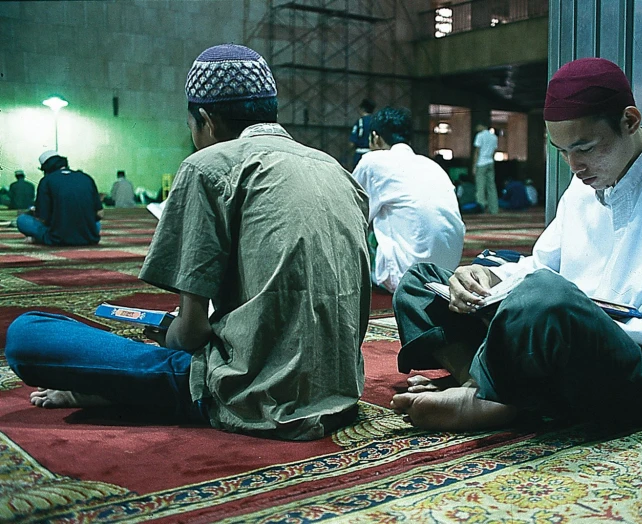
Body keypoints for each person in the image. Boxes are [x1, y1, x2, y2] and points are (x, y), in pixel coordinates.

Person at [5, 43, 371, 441]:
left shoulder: (208, 165)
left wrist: (172, 333)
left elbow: (192, 335)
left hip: (251, 393)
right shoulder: (336, 169)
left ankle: (128, 392)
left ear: (207, 120)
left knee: (28, 334)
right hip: (339, 392)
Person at [390, 57, 642, 433]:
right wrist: (486, 278)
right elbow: (541, 265)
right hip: (556, 334)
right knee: (419, 282)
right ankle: (490, 385)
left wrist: (573, 312)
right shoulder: (583, 185)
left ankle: (493, 391)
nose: (574, 166)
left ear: (630, 121)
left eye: (585, 148)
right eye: (562, 152)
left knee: (544, 297)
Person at [352, 106, 465, 293]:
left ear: (375, 137)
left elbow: (351, 212)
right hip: (447, 274)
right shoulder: (432, 165)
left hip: (407, 276)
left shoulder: (372, 161)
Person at [16, 151, 103, 246]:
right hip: (88, 237)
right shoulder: (86, 178)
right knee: (97, 224)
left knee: (22, 220)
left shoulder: (47, 181)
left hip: (58, 238)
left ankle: (40, 238)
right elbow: (100, 214)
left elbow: (43, 218)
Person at [472, 123, 499, 214]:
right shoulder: (494, 137)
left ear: (481, 125)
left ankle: (481, 207)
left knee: (480, 186)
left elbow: (477, 152)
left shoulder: (480, 136)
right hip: (490, 162)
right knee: (491, 186)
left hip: (481, 163)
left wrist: (474, 166)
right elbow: (494, 151)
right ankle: (494, 209)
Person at [349, 98, 375, 168]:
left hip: (360, 154)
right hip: (372, 153)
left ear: (362, 109)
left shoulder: (360, 122)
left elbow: (352, 142)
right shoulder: (375, 122)